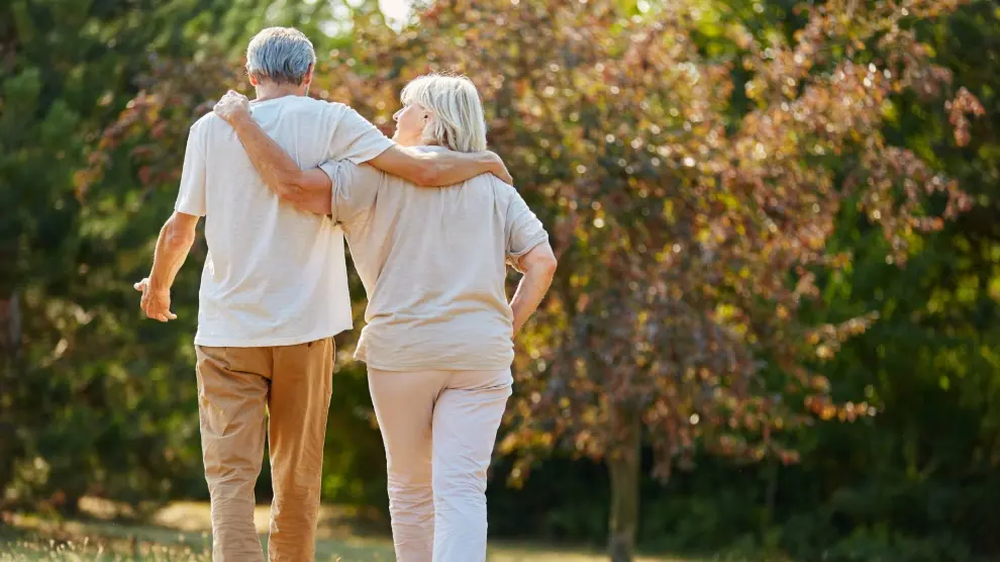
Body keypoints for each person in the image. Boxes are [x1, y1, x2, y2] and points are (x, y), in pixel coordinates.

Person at [133, 28, 511, 562]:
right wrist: (485, 162)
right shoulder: (334, 121)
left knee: (230, 479)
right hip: (306, 330)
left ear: (251, 73)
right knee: (298, 477)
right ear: (308, 75)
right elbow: (422, 169)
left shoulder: (208, 129)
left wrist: (159, 286)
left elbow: (180, 226)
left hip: (226, 333)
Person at [212, 74, 557, 562]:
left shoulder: (368, 175)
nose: (395, 117)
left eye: (405, 107)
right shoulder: (494, 186)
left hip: (403, 353)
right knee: (461, 489)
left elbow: (294, 187)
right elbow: (542, 262)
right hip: (480, 354)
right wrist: (507, 326)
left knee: (412, 489)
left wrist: (243, 123)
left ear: (429, 118)